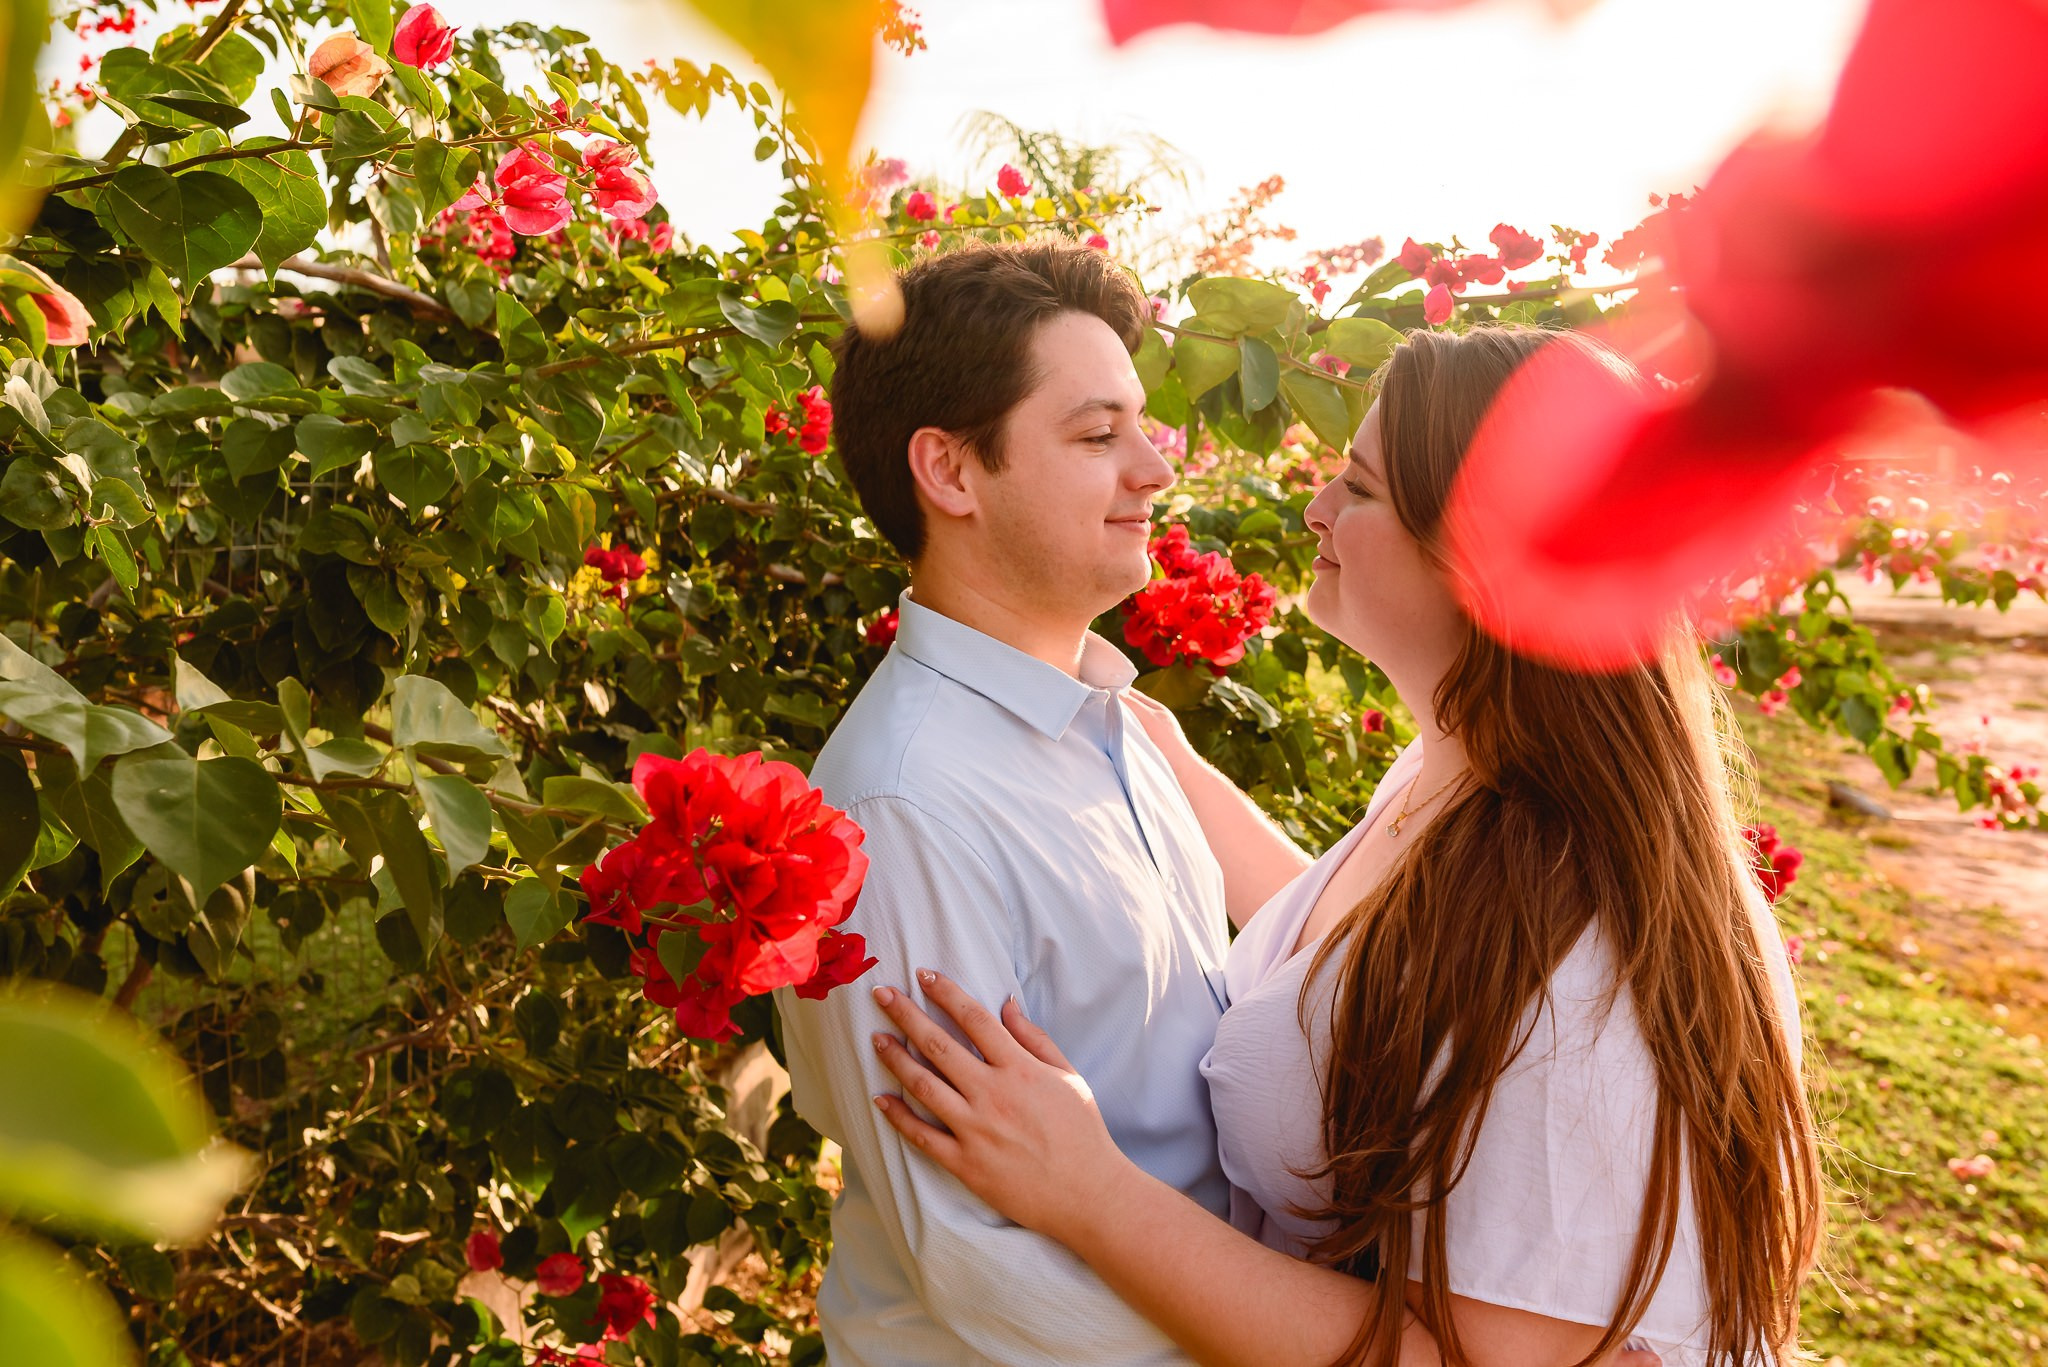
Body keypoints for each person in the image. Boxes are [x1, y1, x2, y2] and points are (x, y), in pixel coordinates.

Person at [866, 326, 1826, 1367]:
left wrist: (1092, 1193)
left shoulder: (1583, 964)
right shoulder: (1460, 777)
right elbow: (1366, 962)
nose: (1315, 510)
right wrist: (1159, 749)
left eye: (1357, 489)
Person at [770, 238, 1314, 1366]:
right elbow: (984, 1268)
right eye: (1095, 434)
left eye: (1139, 427)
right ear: (951, 472)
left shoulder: (1115, 722)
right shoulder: (902, 804)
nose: (1153, 471)